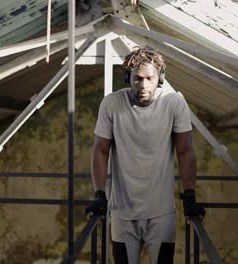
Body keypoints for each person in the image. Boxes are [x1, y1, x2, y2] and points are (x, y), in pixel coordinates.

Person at [86, 47, 205, 264]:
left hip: (161, 213)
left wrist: (189, 195)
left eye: (149, 78)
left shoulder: (174, 103)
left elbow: (185, 150)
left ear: (160, 78)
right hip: (122, 212)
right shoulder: (112, 104)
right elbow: (100, 150)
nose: (143, 86)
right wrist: (99, 194)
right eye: (137, 79)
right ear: (127, 77)